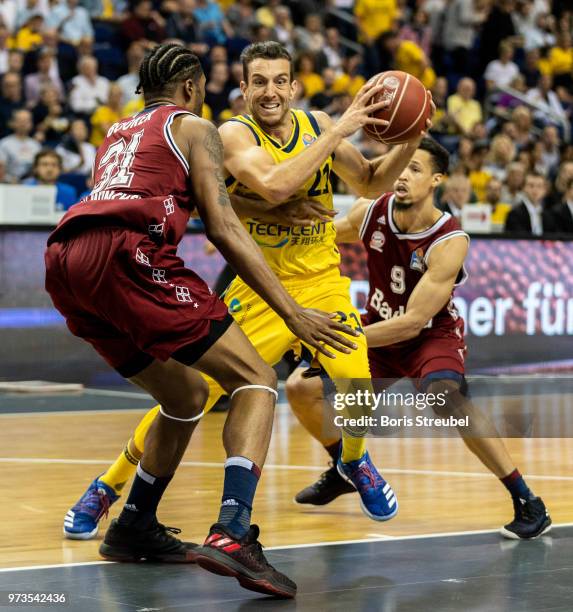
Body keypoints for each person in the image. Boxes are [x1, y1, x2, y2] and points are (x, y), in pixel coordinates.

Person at [63, 40, 431, 539]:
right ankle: (109, 484)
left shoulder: (316, 125)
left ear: (295, 86)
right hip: (262, 288)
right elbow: (276, 185)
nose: (271, 91)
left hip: (321, 279)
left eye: (280, 80)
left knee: (356, 382)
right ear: (243, 89)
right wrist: (342, 127)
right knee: (191, 397)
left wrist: (410, 139)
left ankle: (354, 461)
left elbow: (367, 181)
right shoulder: (231, 135)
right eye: (259, 81)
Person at [288, 138, 551, 540]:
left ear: (436, 180)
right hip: (377, 326)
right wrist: (286, 221)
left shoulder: (450, 239)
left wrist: (340, 336)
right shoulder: (371, 211)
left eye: (414, 168)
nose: (403, 175)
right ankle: (346, 465)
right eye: (400, 167)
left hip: (429, 336)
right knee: (298, 389)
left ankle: (526, 499)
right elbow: (321, 235)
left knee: (445, 397)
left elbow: (412, 323)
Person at [504, 171, 550, 235]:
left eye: (539, 186)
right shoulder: (514, 214)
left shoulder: (549, 215)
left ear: (545, 190)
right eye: (531, 186)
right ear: (523, 188)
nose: (535, 190)